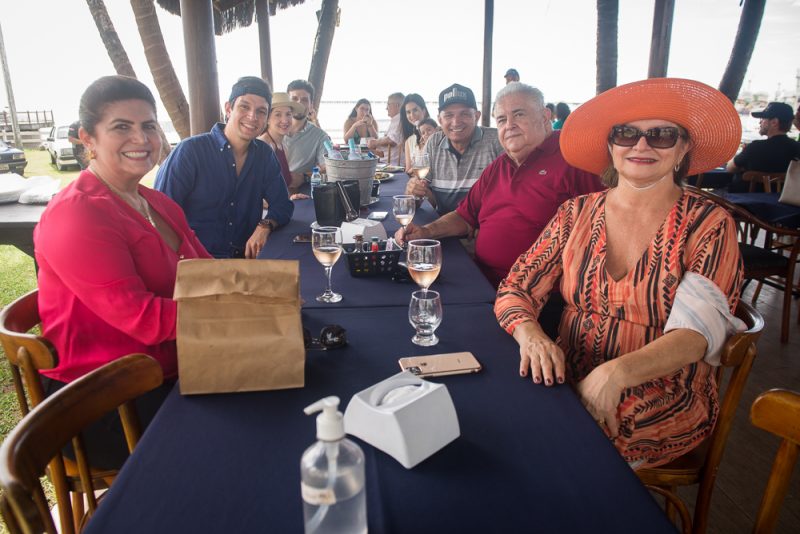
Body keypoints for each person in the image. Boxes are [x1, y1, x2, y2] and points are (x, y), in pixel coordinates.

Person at [494, 78, 745, 469]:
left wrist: (617, 373)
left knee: (568, 445)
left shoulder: (708, 223)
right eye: (626, 134)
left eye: (661, 135)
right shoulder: (576, 213)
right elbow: (515, 287)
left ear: (682, 149)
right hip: (567, 367)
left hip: (665, 386)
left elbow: (696, 335)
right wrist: (532, 337)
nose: (641, 145)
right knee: (495, 414)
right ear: (611, 147)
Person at [34, 75, 212, 469]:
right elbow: (143, 319)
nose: (142, 138)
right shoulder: (76, 214)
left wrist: (267, 294)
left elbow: (211, 273)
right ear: (88, 139)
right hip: (102, 400)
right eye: (121, 127)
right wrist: (240, 314)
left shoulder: (157, 202)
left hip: (177, 366)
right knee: (242, 434)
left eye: (149, 125)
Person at [397, 82, 603, 314]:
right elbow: (465, 216)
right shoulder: (499, 166)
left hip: (537, 300)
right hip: (481, 283)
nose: (510, 126)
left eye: (519, 115)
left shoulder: (572, 161)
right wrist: (425, 232)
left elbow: (601, 238)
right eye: (502, 119)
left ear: (545, 116)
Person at [156, 76, 293, 259]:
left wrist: (264, 225)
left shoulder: (264, 155)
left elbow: (283, 205)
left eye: (261, 111)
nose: (252, 117)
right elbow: (162, 215)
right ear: (228, 108)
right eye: (244, 107)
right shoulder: (190, 151)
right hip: (195, 263)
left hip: (244, 262)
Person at [404, 83, 502, 215]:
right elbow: (417, 199)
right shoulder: (434, 143)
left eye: (465, 114)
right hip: (443, 227)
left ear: (477, 116)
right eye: (449, 115)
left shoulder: (496, 140)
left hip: (484, 226)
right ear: (439, 119)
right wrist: (413, 191)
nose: (456, 122)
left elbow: (510, 196)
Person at [725, 102, 800, 190]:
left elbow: (730, 168)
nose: (760, 122)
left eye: (763, 118)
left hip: (743, 201)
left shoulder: (755, 147)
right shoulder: (797, 148)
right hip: (781, 200)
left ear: (774, 122)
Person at [258, 92, 309, 199]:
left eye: (288, 114)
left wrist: (290, 197)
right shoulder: (264, 145)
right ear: (267, 119)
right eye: (278, 114)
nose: (285, 120)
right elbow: (255, 193)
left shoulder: (280, 145)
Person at [284, 79, 331, 189]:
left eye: (304, 100)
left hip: (300, 193)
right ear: (287, 102)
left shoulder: (320, 136)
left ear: (311, 105)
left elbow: (329, 167)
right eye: (294, 99)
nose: (299, 103)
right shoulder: (273, 129)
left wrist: (304, 177)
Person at [367, 92, 405, 166]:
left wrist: (375, 142)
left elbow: (392, 140)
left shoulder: (400, 120)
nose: (386, 108)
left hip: (392, 164)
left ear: (397, 105)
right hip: (386, 161)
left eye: (388, 104)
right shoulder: (396, 120)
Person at [399, 94, 432, 170]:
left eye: (415, 110)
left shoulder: (437, 134)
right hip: (417, 179)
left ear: (424, 111)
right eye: (408, 112)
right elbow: (408, 170)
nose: (412, 115)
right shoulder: (409, 141)